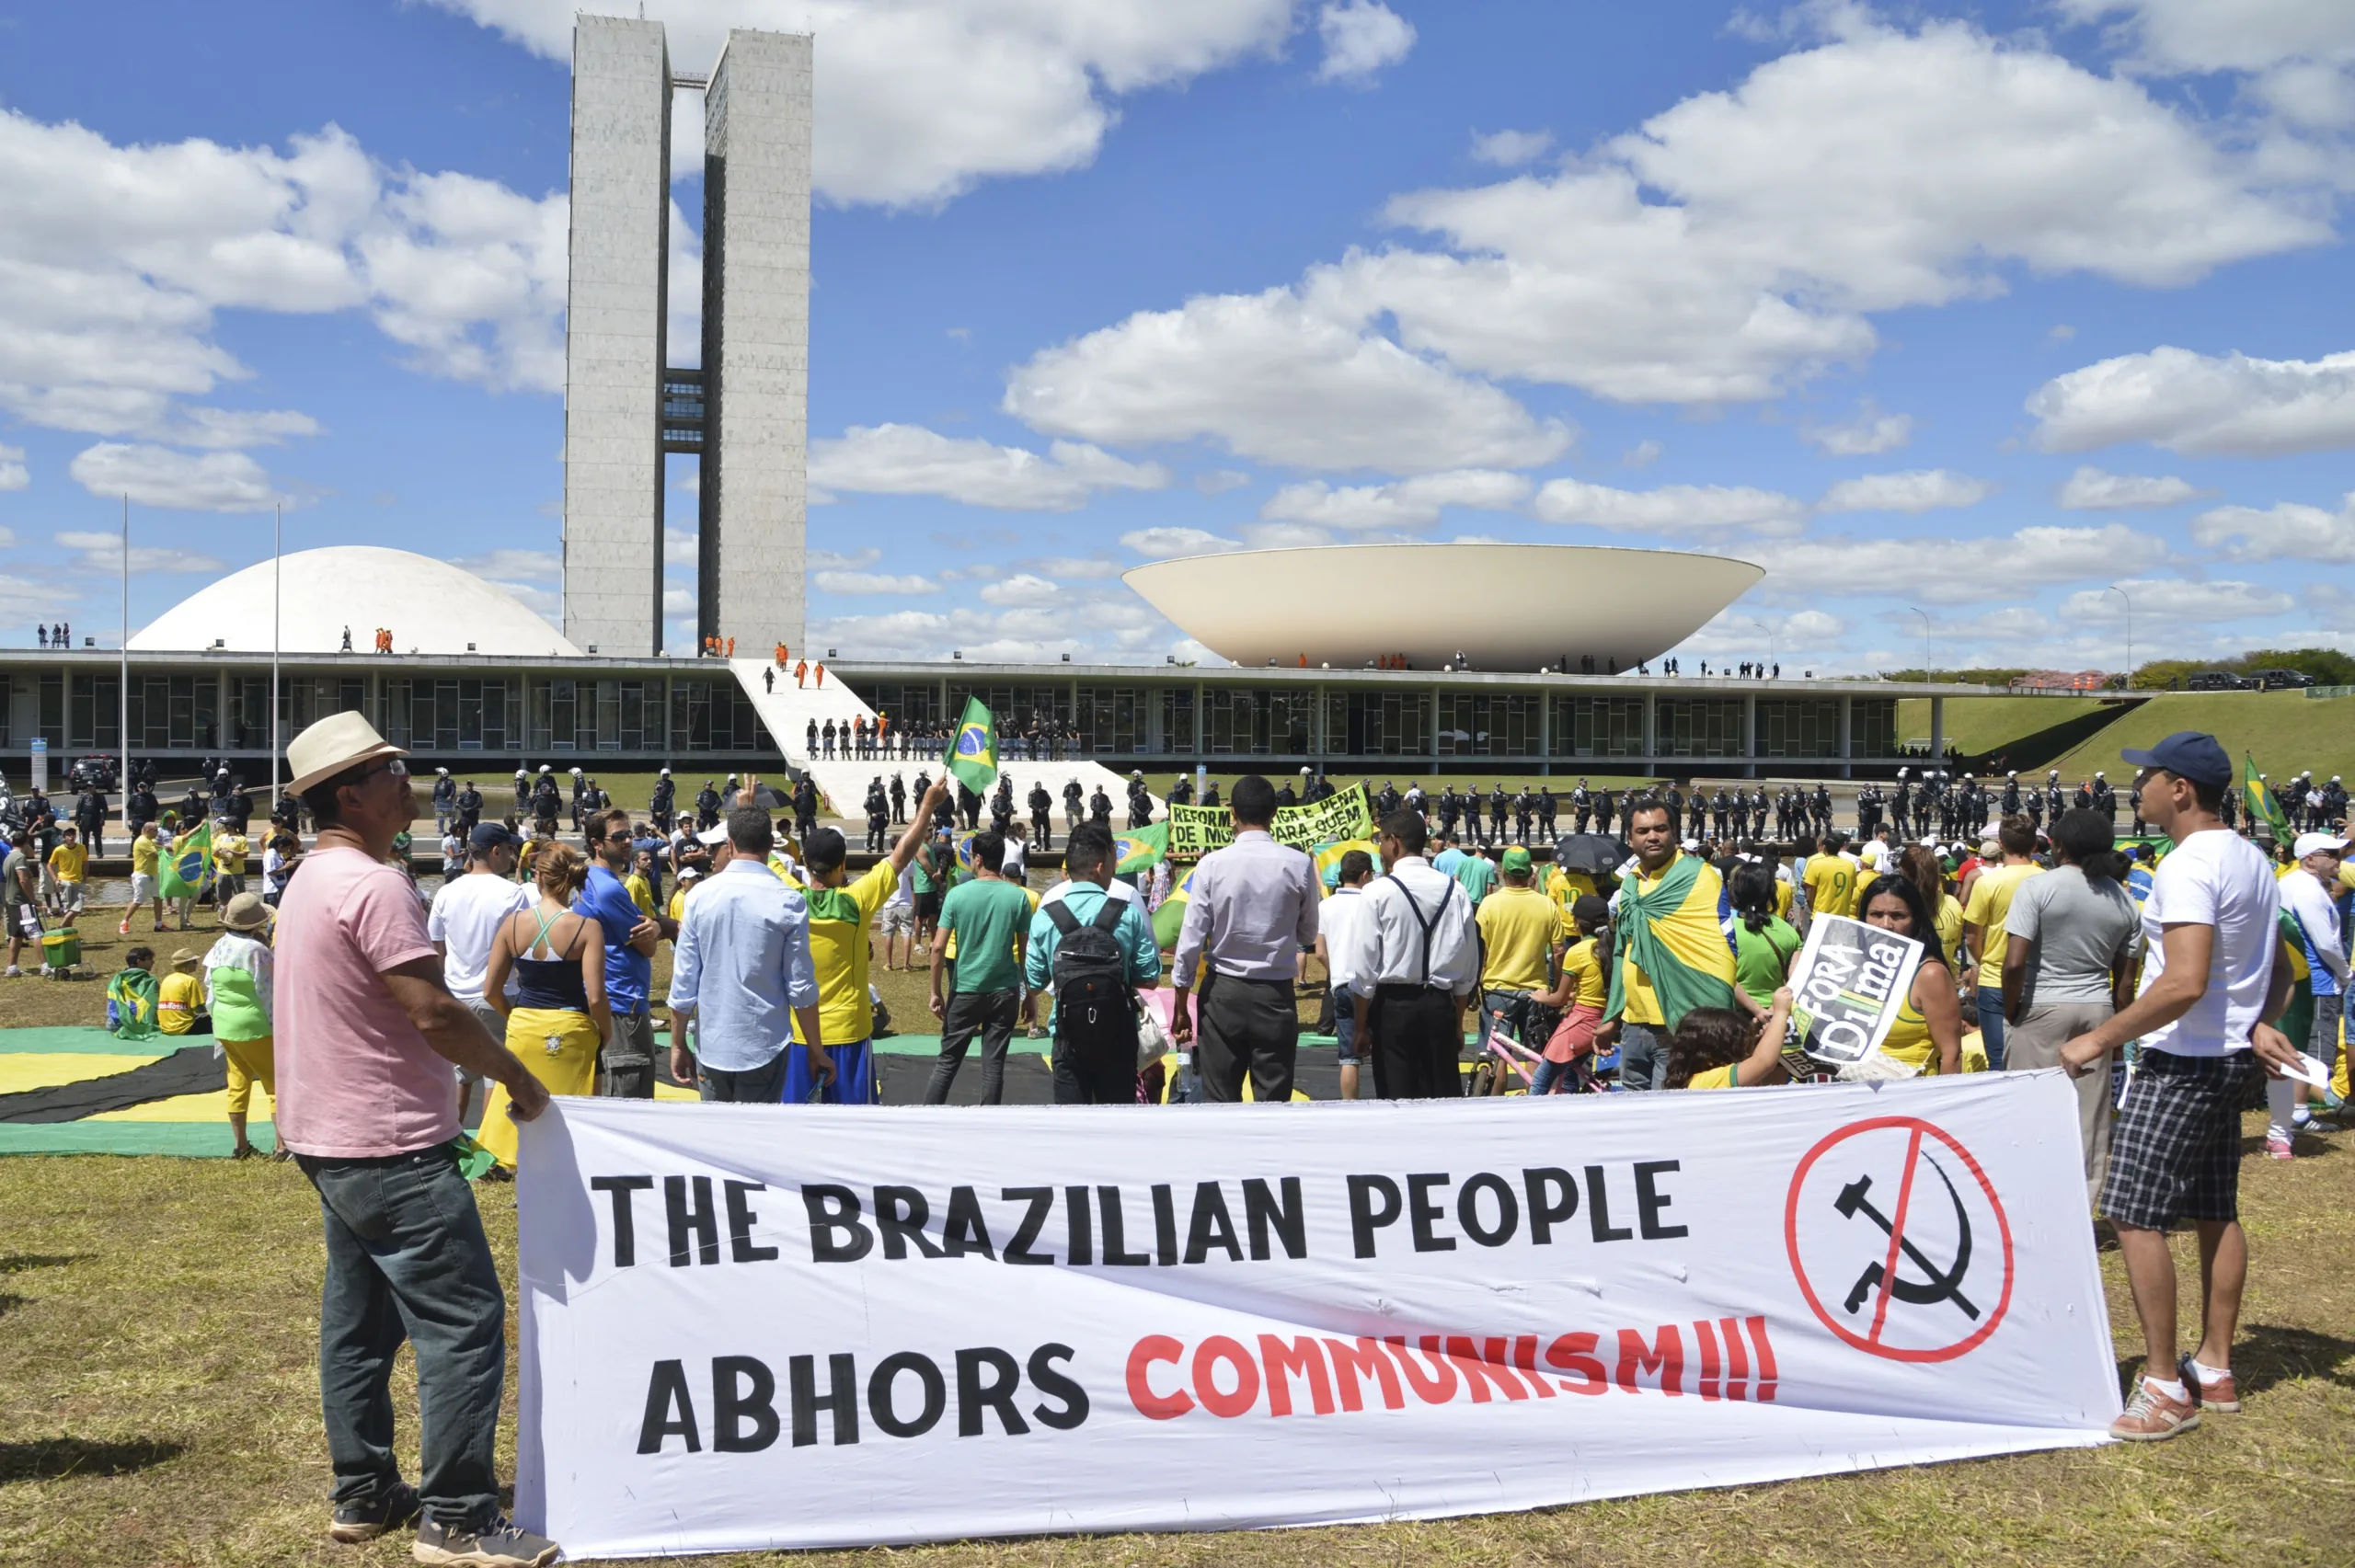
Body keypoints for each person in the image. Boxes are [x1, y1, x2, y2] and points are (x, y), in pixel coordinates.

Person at [270, 711, 560, 1564]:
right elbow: (431, 1010)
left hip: (330, 1139)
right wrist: (514, 1075)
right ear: (350, 794)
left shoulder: (308, 880)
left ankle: (364, 1490)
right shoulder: (375, 884)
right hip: (391, 1141)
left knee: (358, 1325)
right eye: (389, 769)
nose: (409, 778)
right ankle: (461, 1518)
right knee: (464, 1319)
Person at [2058, 731, 2303, 1443]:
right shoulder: (2253, 858)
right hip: (2228, 1057)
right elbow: (2280, 968)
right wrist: (2258, 1021)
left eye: (2149, 777)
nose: (2138, 789)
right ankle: (2216, 1366)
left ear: (2181, 790)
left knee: (2133, 1212)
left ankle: (2165, 1384)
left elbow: (2185, 979)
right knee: (2212, 1206)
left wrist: (2100, 1037)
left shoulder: (2189, 864)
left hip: (2186, 1059)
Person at [2002, 808, 2142, 1200]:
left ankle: (2027, 1201)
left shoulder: (2039, 888)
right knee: (2089, 1118)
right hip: (2097, 1009)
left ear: (2057, 845)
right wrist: (2115, 1034)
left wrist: (2013, 1012)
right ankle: (2079, 1206)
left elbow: (2014, 963)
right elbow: (2125, 984)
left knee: (2029, 1111)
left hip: (2041, 1004)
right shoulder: (2123, 900)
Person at [790, 776, 949, 1104]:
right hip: (848, 1030)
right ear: (843, 864)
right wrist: (927, 806)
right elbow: (902, 854)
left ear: (805, 865)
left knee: (793, 1126)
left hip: (798, 1032)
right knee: (855, 1124)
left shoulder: (787, 897)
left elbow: (759, 856)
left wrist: (747, 810)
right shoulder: (856, 900)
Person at [1169, 774, 1321, 1103]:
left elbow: (1191, 940)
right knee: (1274, 1100)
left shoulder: (1211, 864)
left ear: (1231, 814)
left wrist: (1182, 1004)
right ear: (1275, 813)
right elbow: (1308, 933)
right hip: (1275, 994)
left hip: (1224, 993)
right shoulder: (1299, 864)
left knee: (1220, 1099)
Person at [667, 806, 830, 1104]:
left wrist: (677, 1044)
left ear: (729, 845)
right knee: (755, 1141)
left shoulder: (698, 897)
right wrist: (816, 1050)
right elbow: (801, 987)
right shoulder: (788, 901)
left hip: (714, 1044)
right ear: (771, 846)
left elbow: (684, 982)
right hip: (764, 1044)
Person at [474, 843, 609, 1171]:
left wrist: (513, 1016)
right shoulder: (586, 927)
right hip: (571, 1027)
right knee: (574, 1103)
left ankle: (512, 1159)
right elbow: (595, 997)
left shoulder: (513, 924)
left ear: (539, 878)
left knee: (519, 1094)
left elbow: (491, 989)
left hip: (524, 1025)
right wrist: (605, 1033)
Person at [1335, 808, 1479, 1098]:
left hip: (1393, 1009)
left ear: (1395, 842)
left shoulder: (1377, 892)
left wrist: (1361, 1027)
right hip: (1440, 1006)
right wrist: (1458, 1022)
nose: (1379, 849)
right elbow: (1468, 967)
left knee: (1396, 1100)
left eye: (1381, 841)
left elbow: (1365, 970)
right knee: (1442, 1100)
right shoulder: (1456, 891)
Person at [1607, 799, 1744, 1091]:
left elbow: (1721, 946)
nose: (1652, 836)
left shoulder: (1697, 875)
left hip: (1680, 1023)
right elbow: (1622, 951)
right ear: (1630, 839)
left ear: (1675, 834)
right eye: (1643, 831)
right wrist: (1612, 1015)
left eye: (1661, 828)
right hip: (1634, 1022)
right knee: (1632, 1111)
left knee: (1668, 1115)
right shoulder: (1631, 884)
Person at [1027, 821, 1162, 1104]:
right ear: (1100, 866)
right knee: (1116, 1126)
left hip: (1068, 1035)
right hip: (1118, 1035)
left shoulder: (1046, 915)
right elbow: (1150, 976)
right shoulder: (1126, 913)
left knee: (1071, 1127)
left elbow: (1035, 981)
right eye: (1114, 859)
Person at [428, 825, 532, 1129]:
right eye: (510, 850)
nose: (513, 856)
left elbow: (437, 948)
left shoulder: (446, 892)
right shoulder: (513, 894)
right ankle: (490, 1153)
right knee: (496, 1076)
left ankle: (451, 1140)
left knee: (460, 1075)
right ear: (495, 851)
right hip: (500, 993)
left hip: (457, 995)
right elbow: (522, 947)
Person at [925, 830, 1032, 1104]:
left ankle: (926, 1116)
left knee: (948, 1061)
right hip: (1004, 989)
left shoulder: (957, 895)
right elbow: (1025, 951)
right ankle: (989, 1121)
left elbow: (938, 947)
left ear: (979, 859)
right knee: (993, 1064)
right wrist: (1029, 995)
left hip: (966, 988)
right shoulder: (1017, 896)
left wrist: (935, 991)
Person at [579, 808, 667, 1099]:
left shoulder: (591, 879)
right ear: (596, 843)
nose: (628, 841)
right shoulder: (609, 890)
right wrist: (654, 928)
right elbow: (647, 946)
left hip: (609, 1001)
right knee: (631, 1097)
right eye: (618, 836)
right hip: (623, 1006)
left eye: (628, 834)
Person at [2275, 830, 2349, 1154]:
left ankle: (2296, 1109)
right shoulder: (2308, 891)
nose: (2338, 860)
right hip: (2316, 978)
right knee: (2310, 1048)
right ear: (2310, 859)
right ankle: (2299, 1111)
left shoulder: (2293, 883)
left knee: (2299, 1044)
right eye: (2331, 855)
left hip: (2298, 976)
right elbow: (2326, 941)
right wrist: (2346, 972)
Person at [1855, 875, 1965, 1077]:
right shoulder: (1852, 964)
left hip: (1910, 1097)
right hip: (1853, 1093)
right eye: (1876, 914)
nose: (1886, 924)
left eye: (1897, 916)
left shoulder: (1930, 975)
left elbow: (1952, 1053)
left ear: (1916, 920)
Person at [1960, 814, 2043, 1070]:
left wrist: (1987, 958)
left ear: (2002, 846)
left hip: (1995, 976)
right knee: (2039, 1061)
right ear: (2035, 846)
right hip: (2040, 979)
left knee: (1998, 1061)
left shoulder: (1987, 882)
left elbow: (1972, 935)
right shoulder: (2048, 880)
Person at [206, 893, 278, 1160]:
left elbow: (209, 986)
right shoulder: (257, 951)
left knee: (237, 1084)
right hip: (254, 1026)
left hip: (225, 1025)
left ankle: (241, 1144)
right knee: (276, 1086)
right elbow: (269, 991)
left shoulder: (218, 945)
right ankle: (283, 1147)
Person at [1474, 846, 1557, 1063]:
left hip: (1498, 989)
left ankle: (1496, 1095)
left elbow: (1480, 950)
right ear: (1531, 874)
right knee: (1535, 1054)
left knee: (1497, 1056)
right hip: (1536, 990)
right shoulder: (1547, 904)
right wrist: (1556, 988)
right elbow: (1558, 952)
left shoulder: (1490, 904)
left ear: (1503, 873)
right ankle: (1535, 1095)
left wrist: (1475, 984)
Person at [1528, 894, 1613, 1095]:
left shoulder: (1578, 951)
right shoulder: (1610, 947)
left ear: (1576, 923)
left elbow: (1558, 999)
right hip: (1604, 1018)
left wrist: (1541, 996)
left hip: (1582, 1020)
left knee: (1541, 1079)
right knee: (1568, 1073)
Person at [1314, 849, 1375, 1100]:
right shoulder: (1372, 902)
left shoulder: (1326, 905)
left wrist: (1335, 970)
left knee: (1348, 1056)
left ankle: (1349, 1106)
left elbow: (1319, 951)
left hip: (1341, 983)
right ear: (1364, 875)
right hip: (1371, 984)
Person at [1663, 989, 1797, 1088]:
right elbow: (1763, 1063)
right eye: (1744, 1044)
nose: (1749, 1048)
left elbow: (1772, 1084)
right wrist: (1781, 1012)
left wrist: (1771, 1037)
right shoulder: (1703, 1083)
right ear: (1710, 1058)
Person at [1727, 860, 1802, 1005]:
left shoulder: (1725, 930)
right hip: (1776, 1015)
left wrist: (1757, 1011)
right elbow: (1796, 982)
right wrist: (1771, 1011)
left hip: (1734, 1016)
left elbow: (1723, 977)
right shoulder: (1788, 932)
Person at [106, 945, 161, 1040]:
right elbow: (153, 1005)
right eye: (150, 959)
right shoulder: (149, 981)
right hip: (141, 1027)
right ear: (139, 961)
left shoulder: (116, 980)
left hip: (115, 1025)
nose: (153, 962)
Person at [158, 951, 210, 1035]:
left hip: (165, 1028)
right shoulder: (190, 980)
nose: (196, 963)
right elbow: (199, 1008)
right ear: (187, 964)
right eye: (194, 961)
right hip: (184, 1028)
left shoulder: (166, 979)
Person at [46, 824, 86, 921]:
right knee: (67, 907)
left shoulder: (81, 848)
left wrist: (85, 877)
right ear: (64, 838)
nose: (71, 837)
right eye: (68, 835)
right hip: (64, 880)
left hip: (78, 880)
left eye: (73, 835)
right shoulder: (59, 850)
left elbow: (86, 863)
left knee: (78, 907)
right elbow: (49, 865)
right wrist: (55, 880)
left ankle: (62, 925)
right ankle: (66, 927)